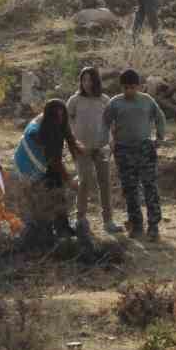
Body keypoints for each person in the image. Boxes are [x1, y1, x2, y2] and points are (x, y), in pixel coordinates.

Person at [105, 69, 167, 241]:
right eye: (125, 87)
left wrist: (160, 137)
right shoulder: (115, 103)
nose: (129, 91)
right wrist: (109, 140)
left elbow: (160, 118)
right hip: (124, 151)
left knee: (150, 187)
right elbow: (105, 123)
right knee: (130, 189)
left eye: (132, 87)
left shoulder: (147, 101)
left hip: (145, 149)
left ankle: (153, 226)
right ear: (121, 87)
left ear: (138, 86)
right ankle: (136, 224)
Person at [13, 98, 84, 241]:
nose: (60, 119)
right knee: (44, 198)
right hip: (31, 168)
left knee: (57, 194)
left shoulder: (48, 121)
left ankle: (61, 227)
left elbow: (68, 142)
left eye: (62, 115)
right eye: (57, 116)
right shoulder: (42, 132)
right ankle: (45, 232)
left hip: (40, 165)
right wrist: (69, 180)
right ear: (51, 117)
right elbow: (54, 161)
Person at [66, 67, 120, 235]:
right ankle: (80, 219)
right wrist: (72, 143)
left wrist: (112, 142)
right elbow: (66, 122)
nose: (87, 83)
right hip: (82, 149)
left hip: (102, 147)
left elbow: (112, 123)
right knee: (84, 182)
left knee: (104, 183)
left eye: (90, 80)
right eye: (84, 80)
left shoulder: (104, 100)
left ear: (96, 81)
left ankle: (108, 221)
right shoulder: (75, 100)